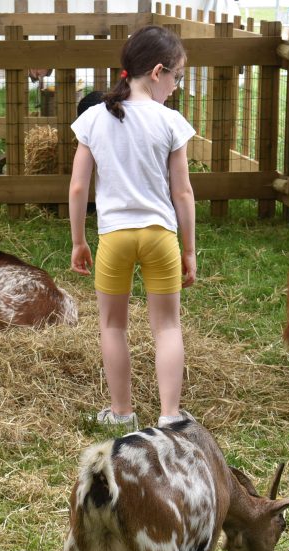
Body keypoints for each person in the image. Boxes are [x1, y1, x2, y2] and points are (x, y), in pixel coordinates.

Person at [68, 25, 197, 430]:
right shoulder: (170, 122)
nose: (176, 86)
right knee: (168, 326)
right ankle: (171, 415)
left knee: (112, 325)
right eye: (177, 76)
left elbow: (77, 187)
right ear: (157, 72)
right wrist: (189, 250)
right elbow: (184, 195)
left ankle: (121, 412)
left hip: (115, 238)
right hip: (160, 237)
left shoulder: (93, 118)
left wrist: (78, 241)